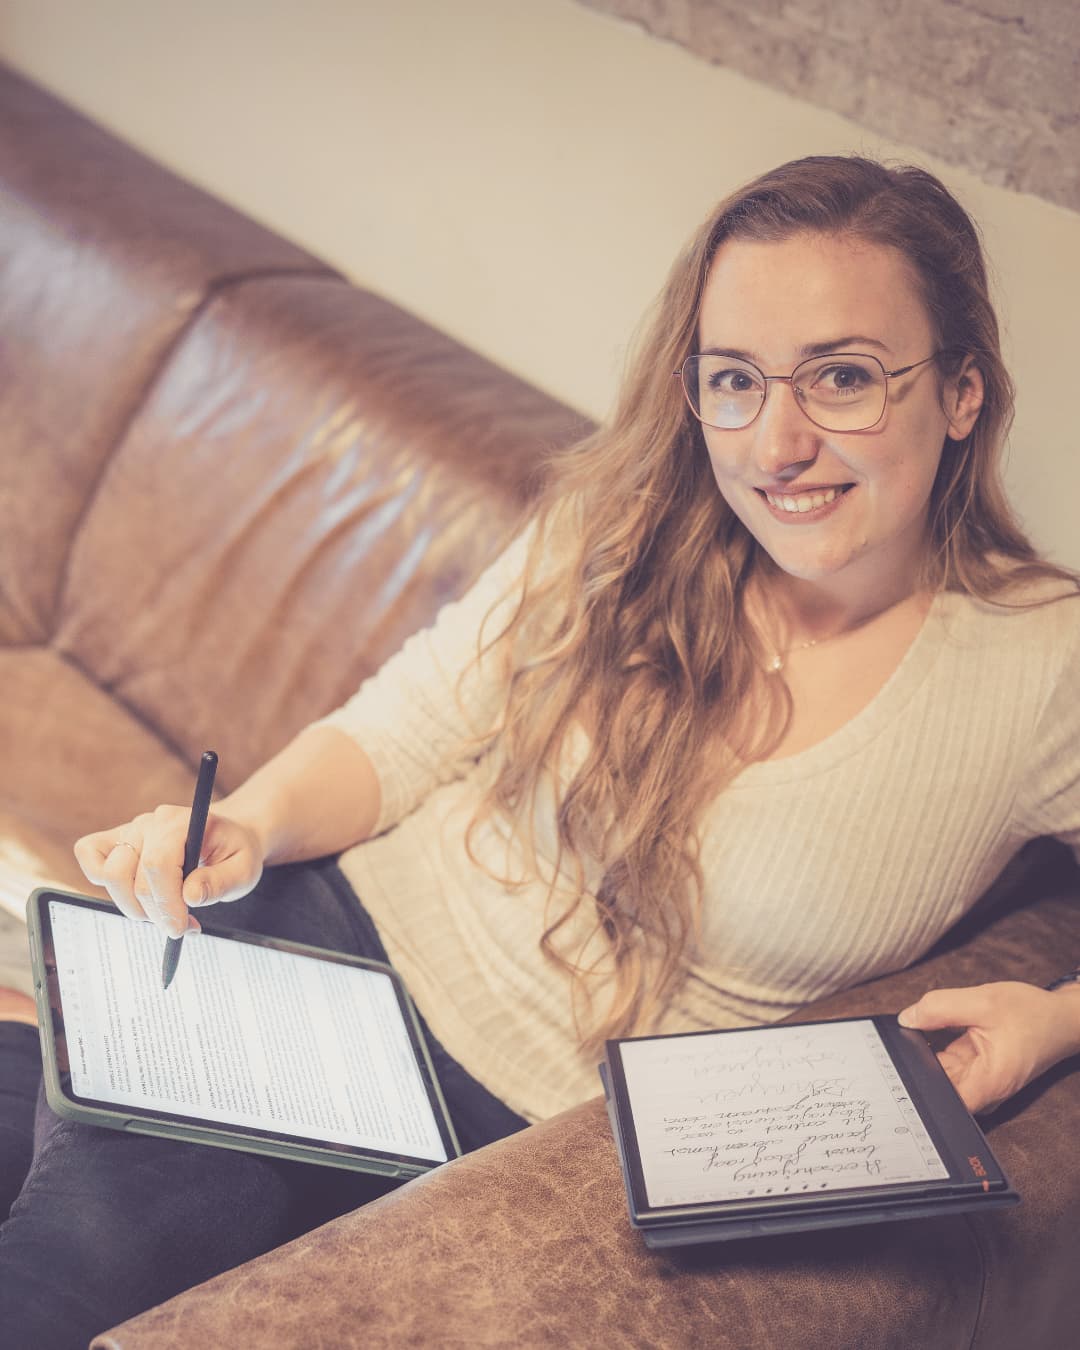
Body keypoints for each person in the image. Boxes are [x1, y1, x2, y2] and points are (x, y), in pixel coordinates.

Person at [2, 154, 1080, 1345]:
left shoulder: (1041, 664)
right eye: (733, 379)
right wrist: (249, 825)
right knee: (69, 1276)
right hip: (320, 962)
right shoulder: (622, 523)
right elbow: (408, 728)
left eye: (842, 377)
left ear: (961, 391)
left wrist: (1056, 1020)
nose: (776, 443)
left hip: (532, 1153)